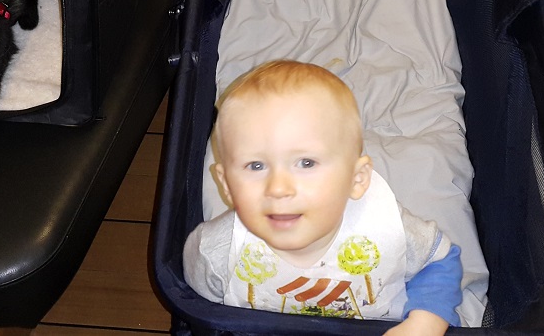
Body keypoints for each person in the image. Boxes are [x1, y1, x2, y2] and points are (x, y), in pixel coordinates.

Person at [183, 60, 462, 335]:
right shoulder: (216, 253)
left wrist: (424, 323)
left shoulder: (386, 227)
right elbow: (203, 310)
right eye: (256, 166)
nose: (278, 188)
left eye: (306, 163)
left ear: (356, 179)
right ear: (226, 184)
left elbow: (438, 261)